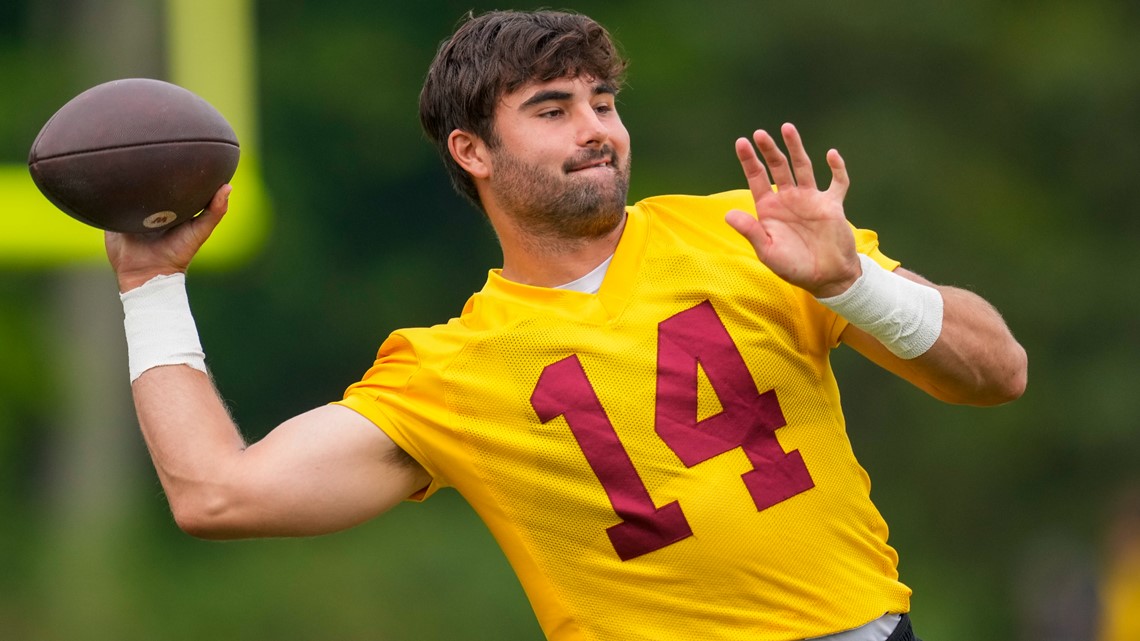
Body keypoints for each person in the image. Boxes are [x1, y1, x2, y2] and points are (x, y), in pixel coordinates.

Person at [105, 9, 1027, 641]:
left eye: (603, 102)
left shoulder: (754, 233)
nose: (596, 129)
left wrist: (854, 282)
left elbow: (997, 371)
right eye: (552, 110)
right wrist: (149, 287)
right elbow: (216, 495)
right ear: (472, 150)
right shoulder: (452, 368)